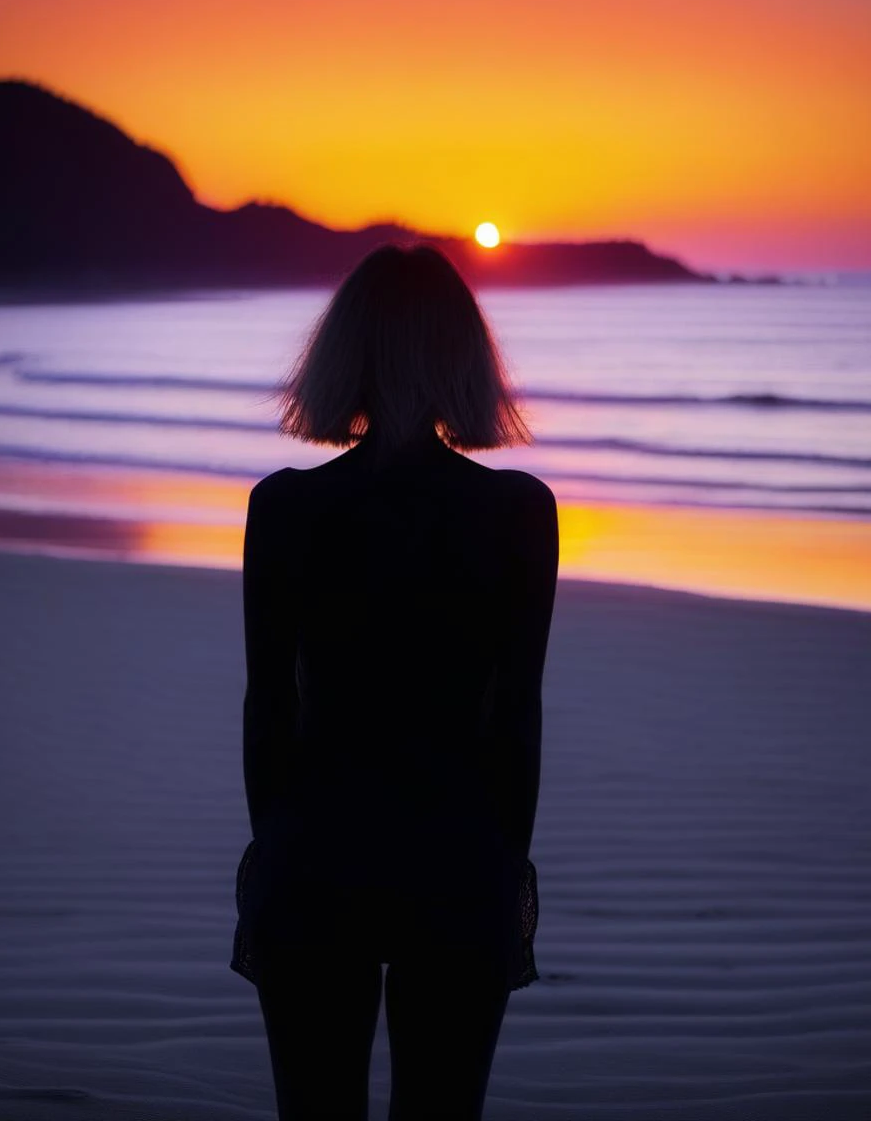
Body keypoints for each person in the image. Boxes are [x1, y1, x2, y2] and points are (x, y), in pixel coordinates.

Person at [230, 243, 559, 1120]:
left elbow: (270, 711)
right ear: (464, 356)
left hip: (317, 850)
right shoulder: (519, 512)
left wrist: (283, 845)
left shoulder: (286, 507)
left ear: (344, 355)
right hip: (455, 855)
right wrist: (503, 867)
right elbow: (517, 719)